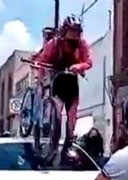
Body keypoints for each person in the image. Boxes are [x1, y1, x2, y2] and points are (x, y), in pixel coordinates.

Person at [34, 15, 92, 162]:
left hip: (71, 81)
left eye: (77, 32)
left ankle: (68, 145)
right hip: (57, 79)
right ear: (65, 31)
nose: (74, 35)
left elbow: (88, 61)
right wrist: (40, 80)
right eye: (72, 31)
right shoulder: (54, 43)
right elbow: (42, 61)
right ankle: (53, 140)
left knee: (72, 115)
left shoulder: (81, 44)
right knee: (57, 110)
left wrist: (78, 67)